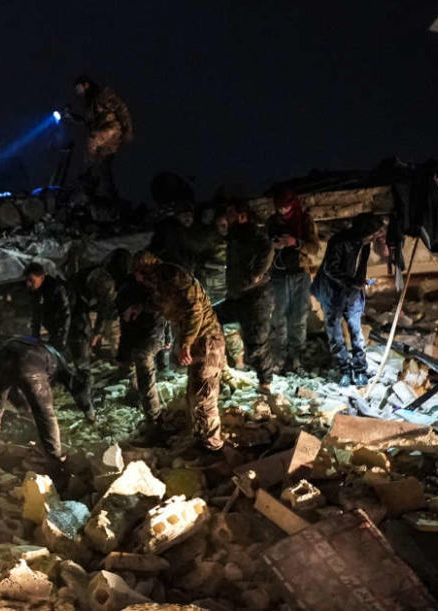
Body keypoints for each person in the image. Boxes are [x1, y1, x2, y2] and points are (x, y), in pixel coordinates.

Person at [134, 252, 226, 457]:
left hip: (207, 341)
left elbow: (194, 311)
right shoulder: (161, 280)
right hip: (198, 342)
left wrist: (185, 343)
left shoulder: (174, 276)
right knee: (195, 393)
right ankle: (201, 439)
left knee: (204, 396)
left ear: (144, 270)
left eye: (137, 274)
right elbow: (164, 303)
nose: (138, 280)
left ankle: (213, 449)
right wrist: (141, 307)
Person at [0, 336, 79, 484]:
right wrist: (88, 411)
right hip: (28, 362)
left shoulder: (43, 349)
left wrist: (24, 408)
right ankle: (55, 457)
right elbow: (71, 388)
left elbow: (11, 387)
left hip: (2, 355)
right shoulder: (59, 364)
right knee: (45, 412)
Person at [312, 213, 388, 386]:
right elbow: (330, 268)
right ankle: (344, 370)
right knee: (335, 334)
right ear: (362, 232)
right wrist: (352, 282)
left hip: (352, 293)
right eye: (372, 234)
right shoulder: (339, 241)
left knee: (356, 331)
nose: (374, 238)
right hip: (332, 293)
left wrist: (360, 283)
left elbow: (360, 267)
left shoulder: (365, 244)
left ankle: (360, 369)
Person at [24, 263, 94, 420]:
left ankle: (88, 406)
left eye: (31, 280)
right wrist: (34, 340)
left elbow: (65, 315)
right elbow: (35, 317)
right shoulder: (36, 292)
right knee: (61, 367)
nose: (28, 284)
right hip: (59, 331)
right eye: (27, 281)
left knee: (81, 366)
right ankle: (79, 396)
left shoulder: (57, 288)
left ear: (42, 277)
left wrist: (60, 342)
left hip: (77, 328)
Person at [266, 190, 321, 372]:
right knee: (279, 316)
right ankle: (280, 357)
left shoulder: (304, 220)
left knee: (299, 316)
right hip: (279, 275)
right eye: (279, 207)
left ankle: (296, 357)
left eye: (286, 206)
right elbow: (264, 246)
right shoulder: (272, 222)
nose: (282, 210)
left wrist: (295, 242)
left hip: (300, 273)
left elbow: (314, 248)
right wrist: (273, 245)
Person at [224, 203, 277, 389]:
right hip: (238, 294)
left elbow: (268, 248)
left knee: (257, 342)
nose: (226, 219)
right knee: (215, 320)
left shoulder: (253, 235)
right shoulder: (233, 237)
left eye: (231, 215)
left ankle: (266, 383)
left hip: (257, 295)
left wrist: (256, 274)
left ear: (241, 216)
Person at [116, 252, 169, 429]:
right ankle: (138, 399)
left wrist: (167, 338)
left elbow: (166, 312)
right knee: (132, 366)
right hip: (140, 334)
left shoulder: (160, 283)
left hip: (154, 332)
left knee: (143, 362)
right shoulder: (128, 289)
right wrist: (122, 354)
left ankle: (154, 419)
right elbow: (126, 325)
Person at [72, 75, 132, 202]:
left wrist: (127, 130)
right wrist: (73, 118)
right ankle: (109, 194)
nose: (78, 92)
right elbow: (90, 122)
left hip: (112, 128)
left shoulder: (102, 94)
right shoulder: (89, 103)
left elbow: (121, 109)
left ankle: (90, 175)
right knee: (103, 165)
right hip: (103, 132)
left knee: (92, 140)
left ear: (85, 85)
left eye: (78, 88)